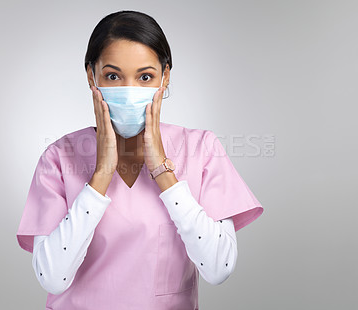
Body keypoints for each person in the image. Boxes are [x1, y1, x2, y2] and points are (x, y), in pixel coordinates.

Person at [16, 10, 264, 310]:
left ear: (166, 76)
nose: (128, 90)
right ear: (91, 76)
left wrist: (163, 171)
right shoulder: (58, 157)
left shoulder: (202, 149)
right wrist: (101, 174)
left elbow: (218, 268)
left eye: (145, 77)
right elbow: (52, 277)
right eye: (112, 76)